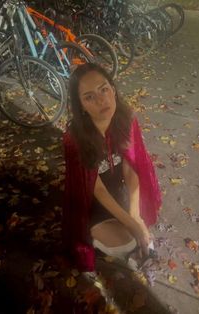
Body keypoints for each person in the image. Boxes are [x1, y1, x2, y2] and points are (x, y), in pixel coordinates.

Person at [63, 63, 161, 271]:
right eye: (89, 97)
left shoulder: (126, 120)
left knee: (140, 230)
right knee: (128, 242)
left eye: (104, 89)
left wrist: (134, 216)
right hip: (93, 203)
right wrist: (133, 225)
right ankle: (98, 238)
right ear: (81, 105)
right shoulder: (75, 138)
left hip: (119, 193)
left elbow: (131, 168)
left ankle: (129, 235)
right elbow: (95, 188)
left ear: (113, 90)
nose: (101, 100)